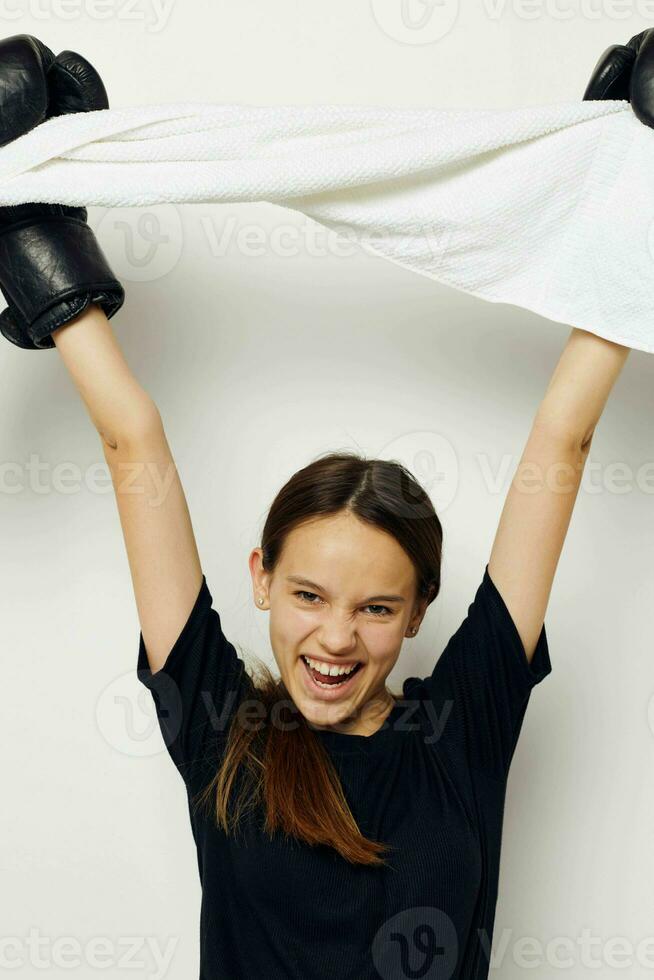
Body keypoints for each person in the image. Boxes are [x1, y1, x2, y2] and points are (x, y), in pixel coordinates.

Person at [0, 30, 646, 980]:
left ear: (420, 610)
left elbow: (562, 441)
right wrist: (29, 234)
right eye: (310, 594)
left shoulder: (464, 725)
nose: (337, 639)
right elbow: (131, 436)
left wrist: (633, 206)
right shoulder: (221, 727)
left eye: (376, 608)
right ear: (261, 580)